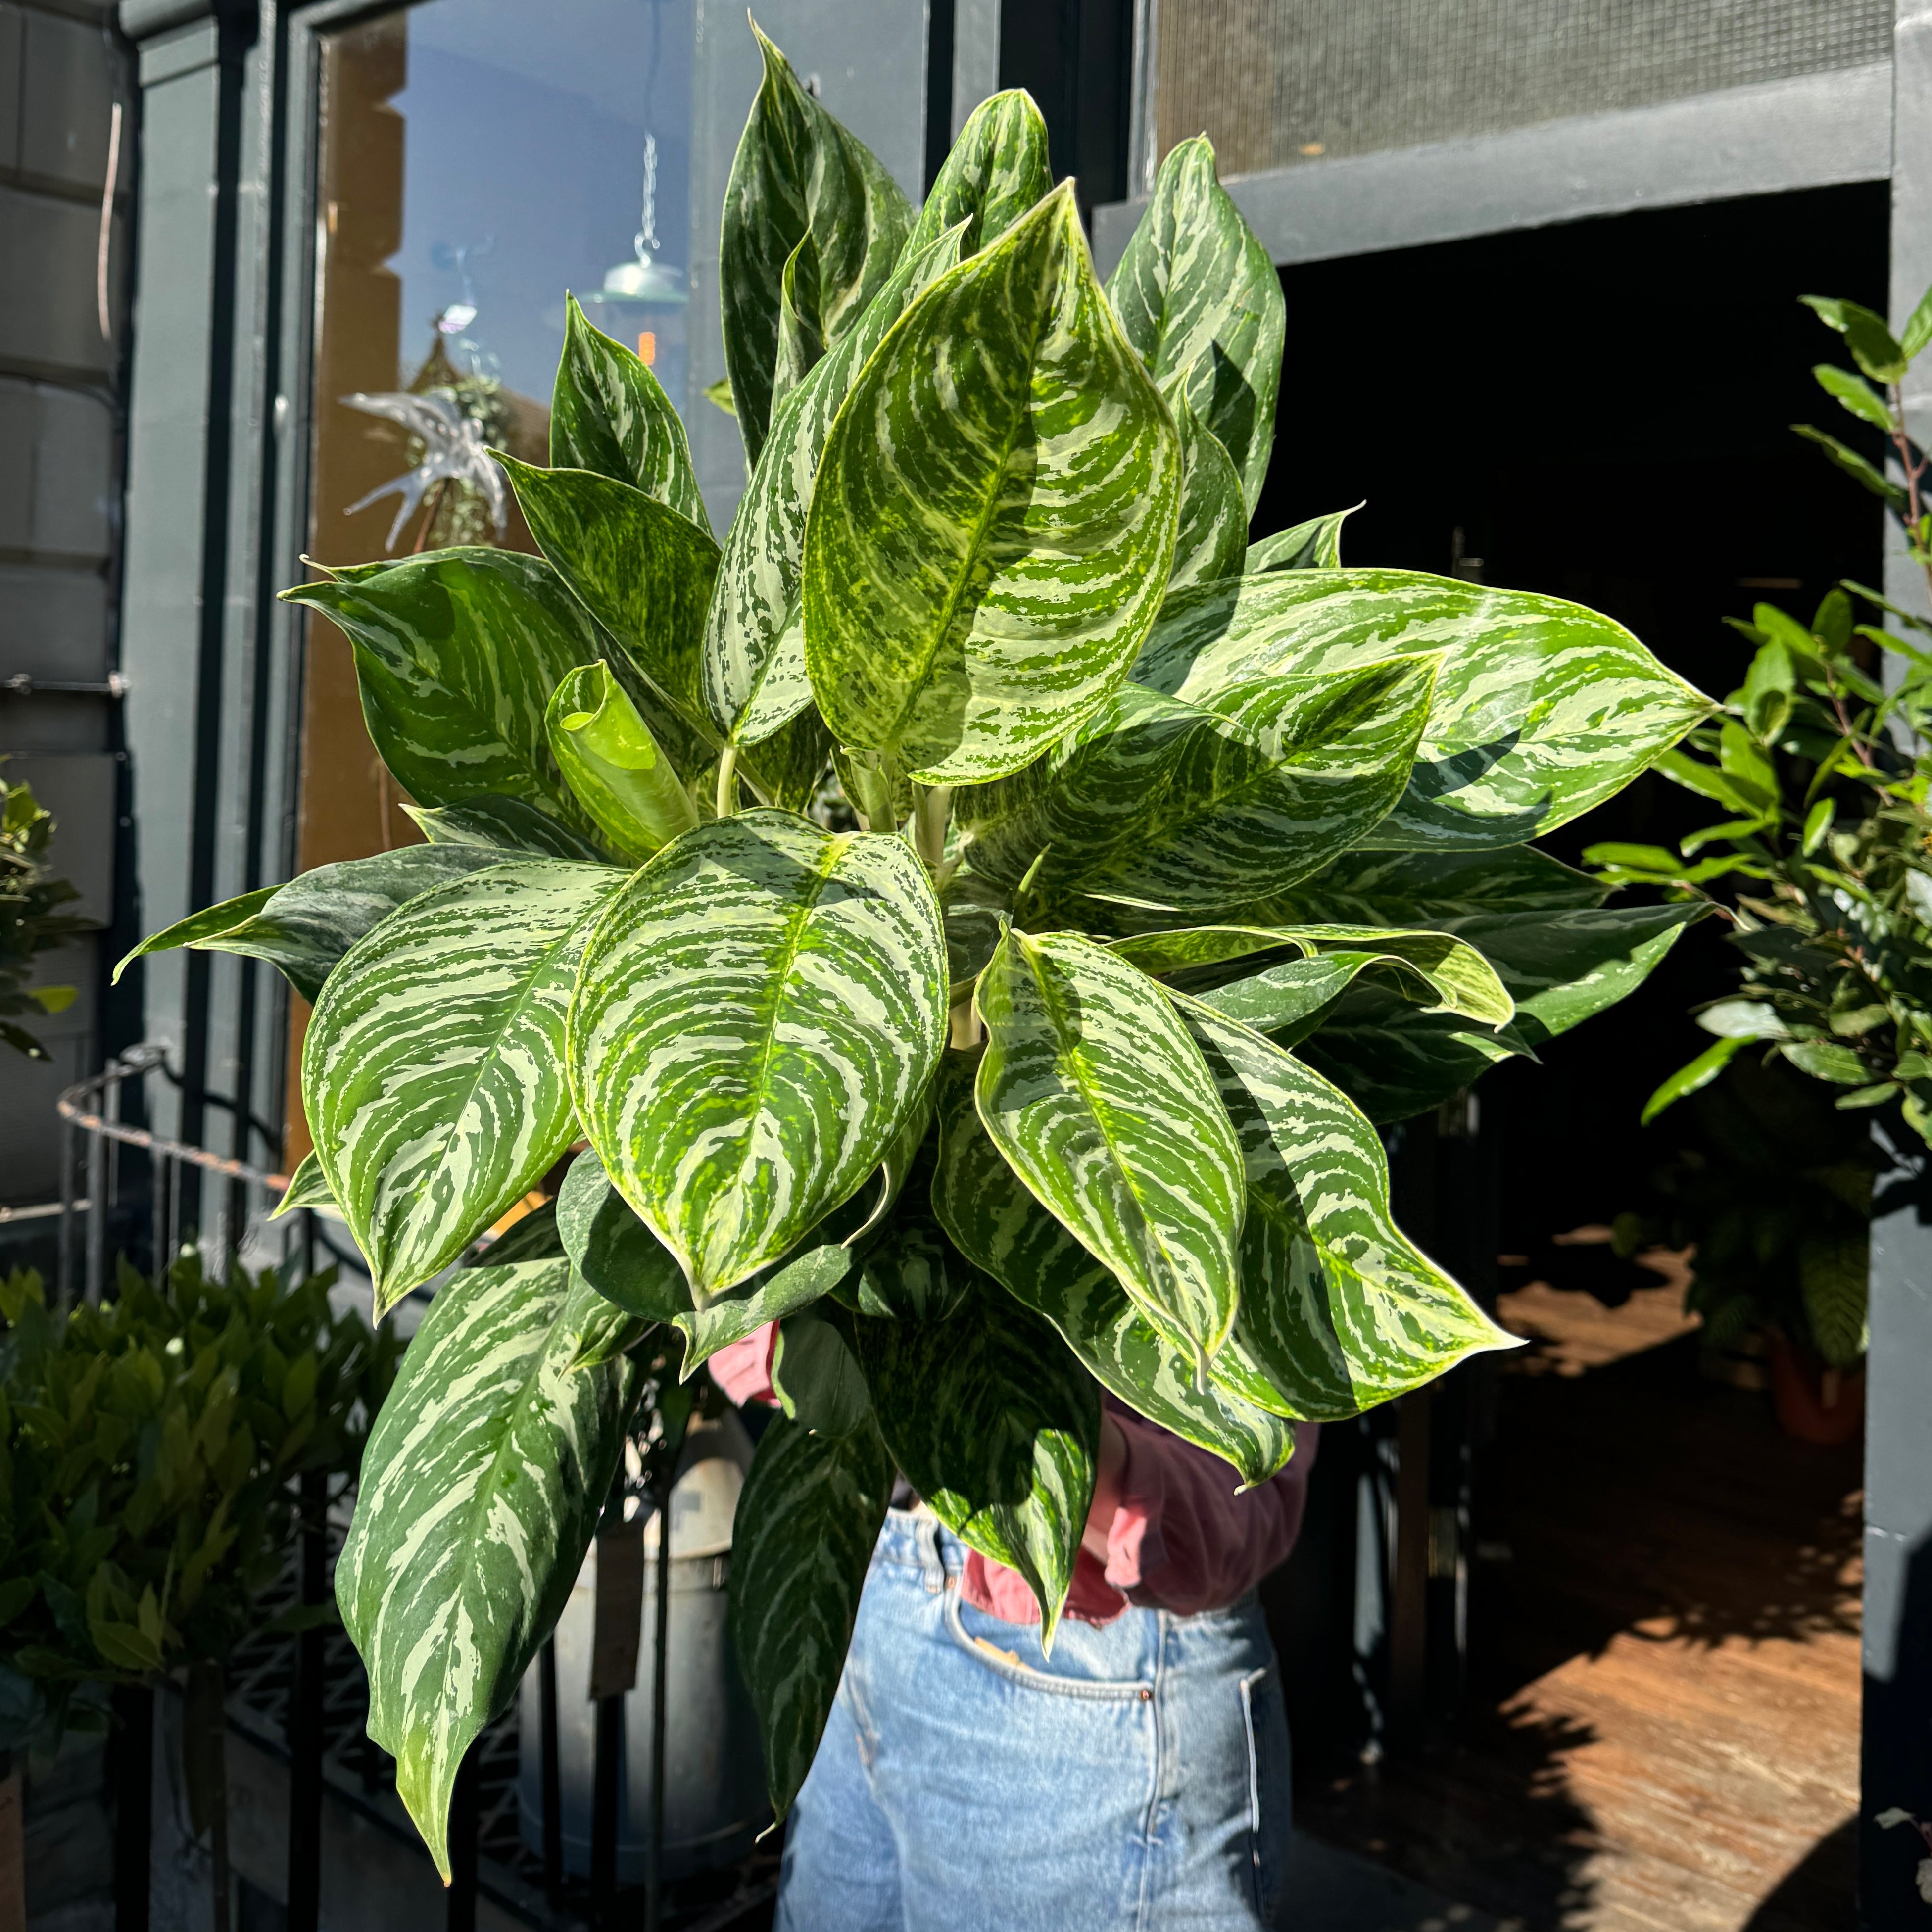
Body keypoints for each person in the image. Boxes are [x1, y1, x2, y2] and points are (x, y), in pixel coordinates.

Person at [710, 1325, 1319, 1932]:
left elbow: (1242, 1492)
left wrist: (1041, 1441)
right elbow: (732, 1322)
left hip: (1083, 1665)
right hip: (870, 1585)